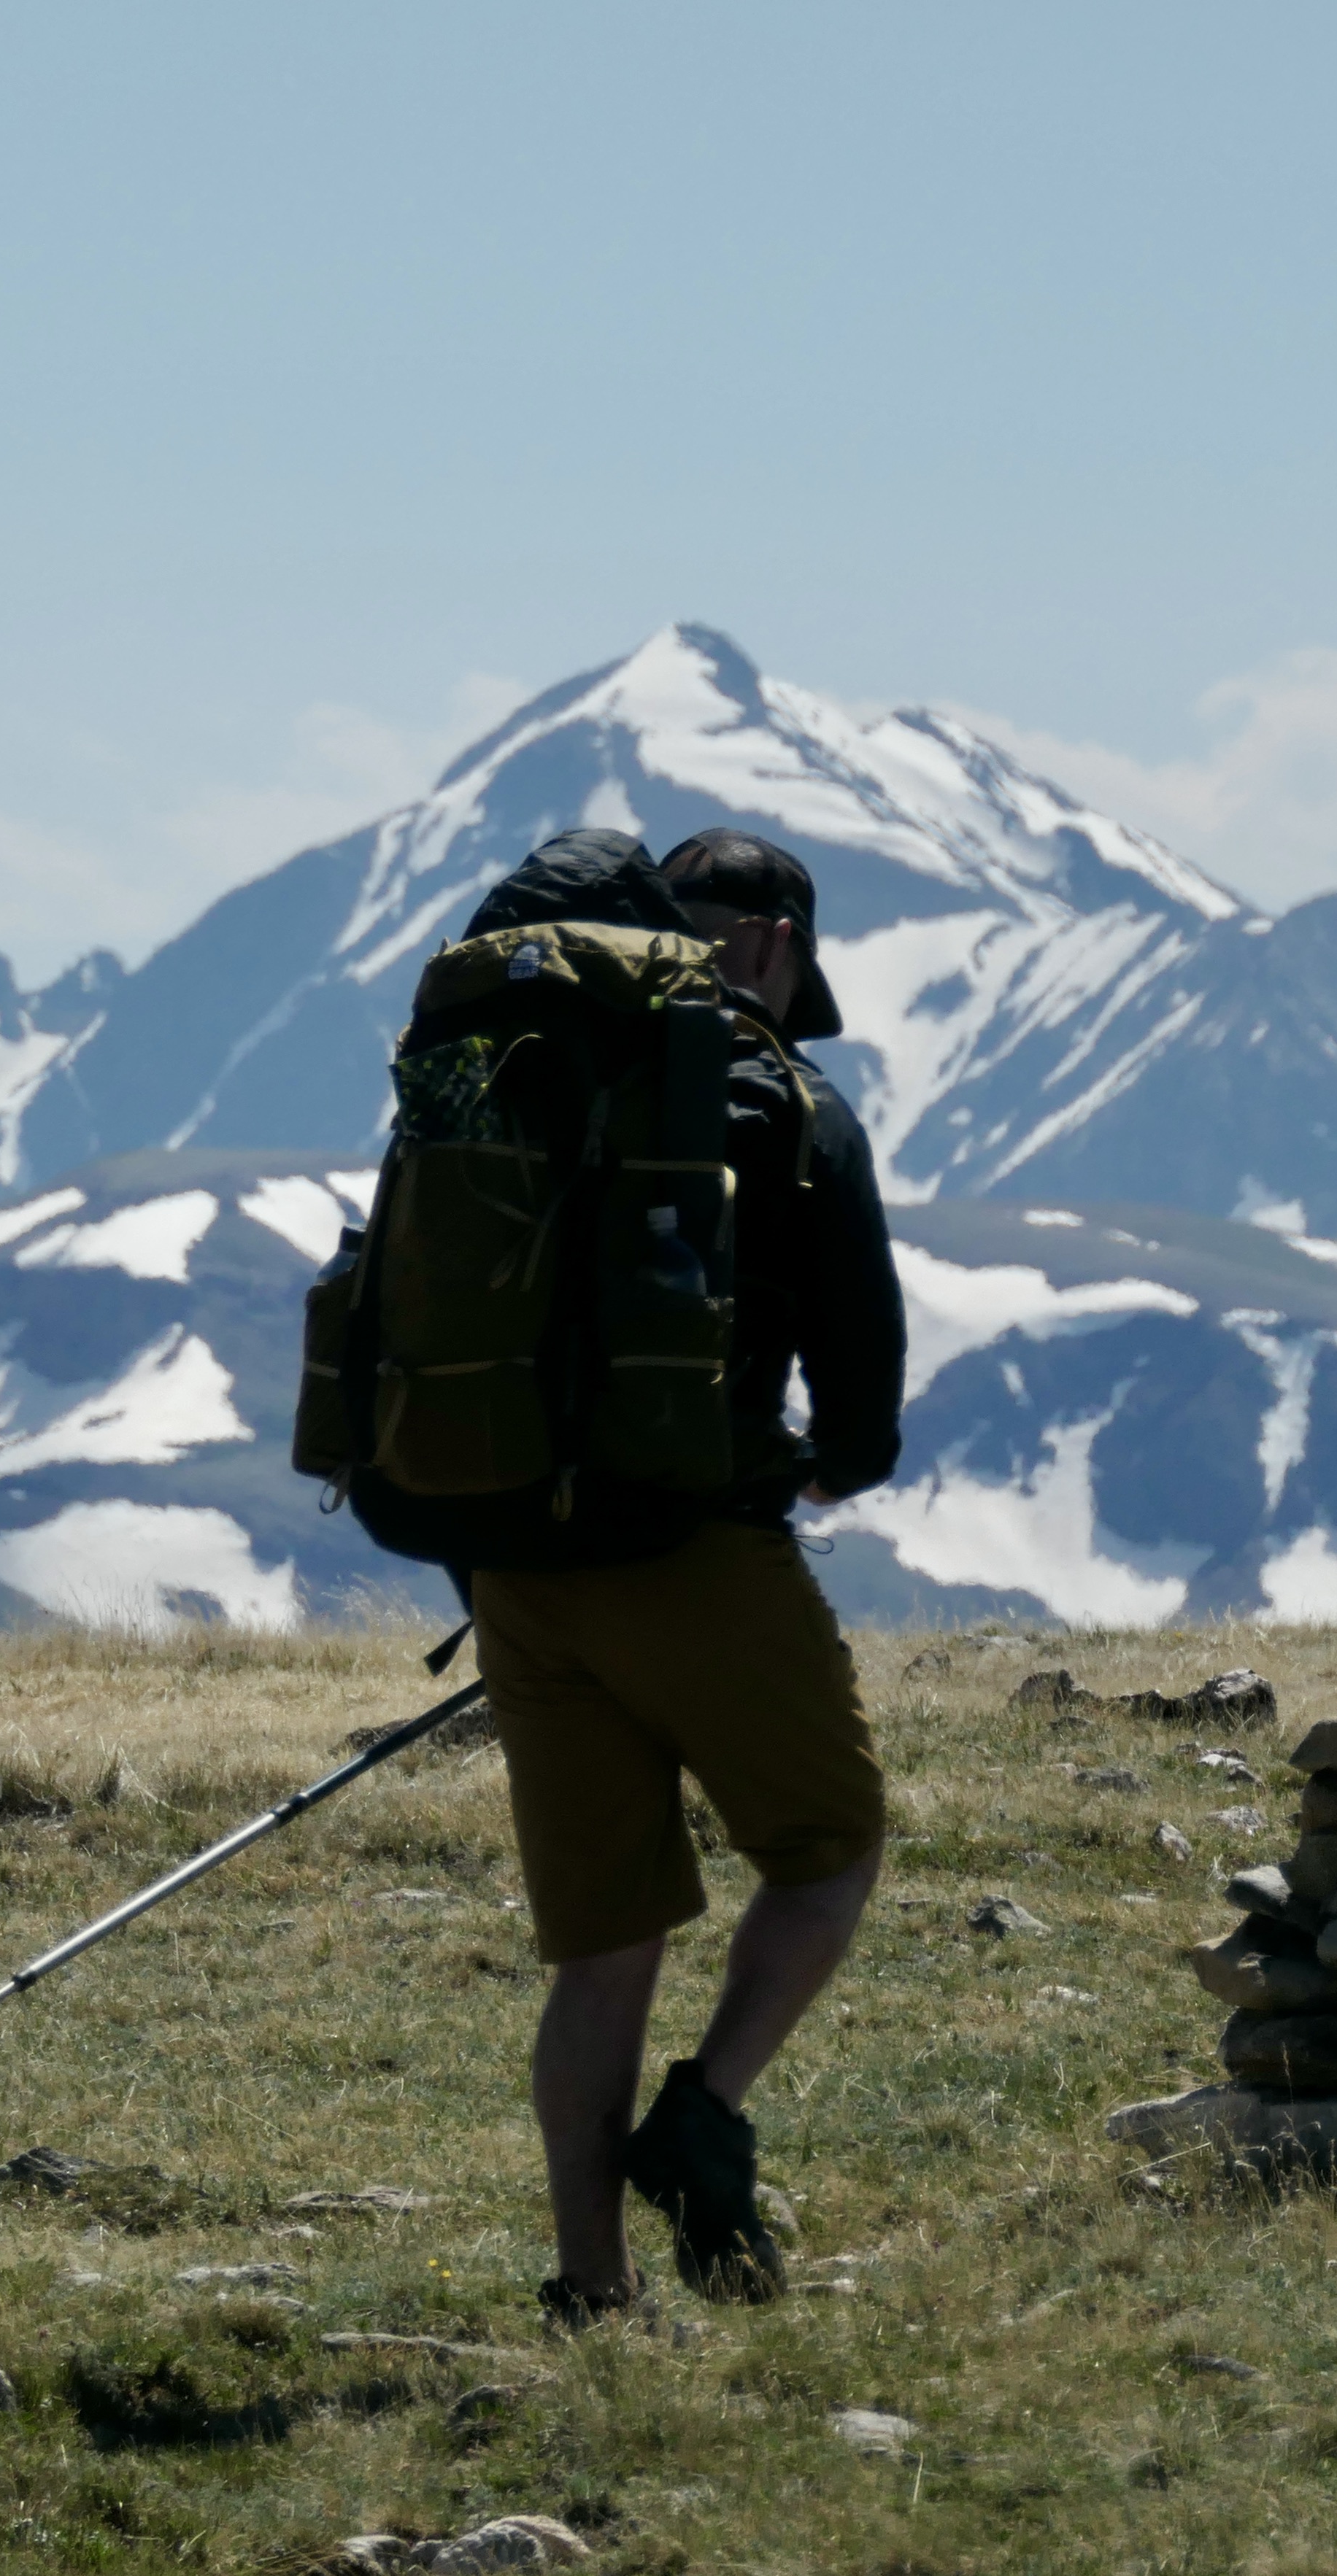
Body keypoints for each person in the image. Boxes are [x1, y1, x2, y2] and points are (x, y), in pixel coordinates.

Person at [455, 824, 911, 2320]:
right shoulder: (791, 1107)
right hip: (695, 1551)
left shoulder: (523, 1073)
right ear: (779, 943)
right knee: (830, 1847)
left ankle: (594, 2292)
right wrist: (824, 1466)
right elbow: (863, 1401)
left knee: (604, 1949)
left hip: (515, 1560)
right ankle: (703, 2116)